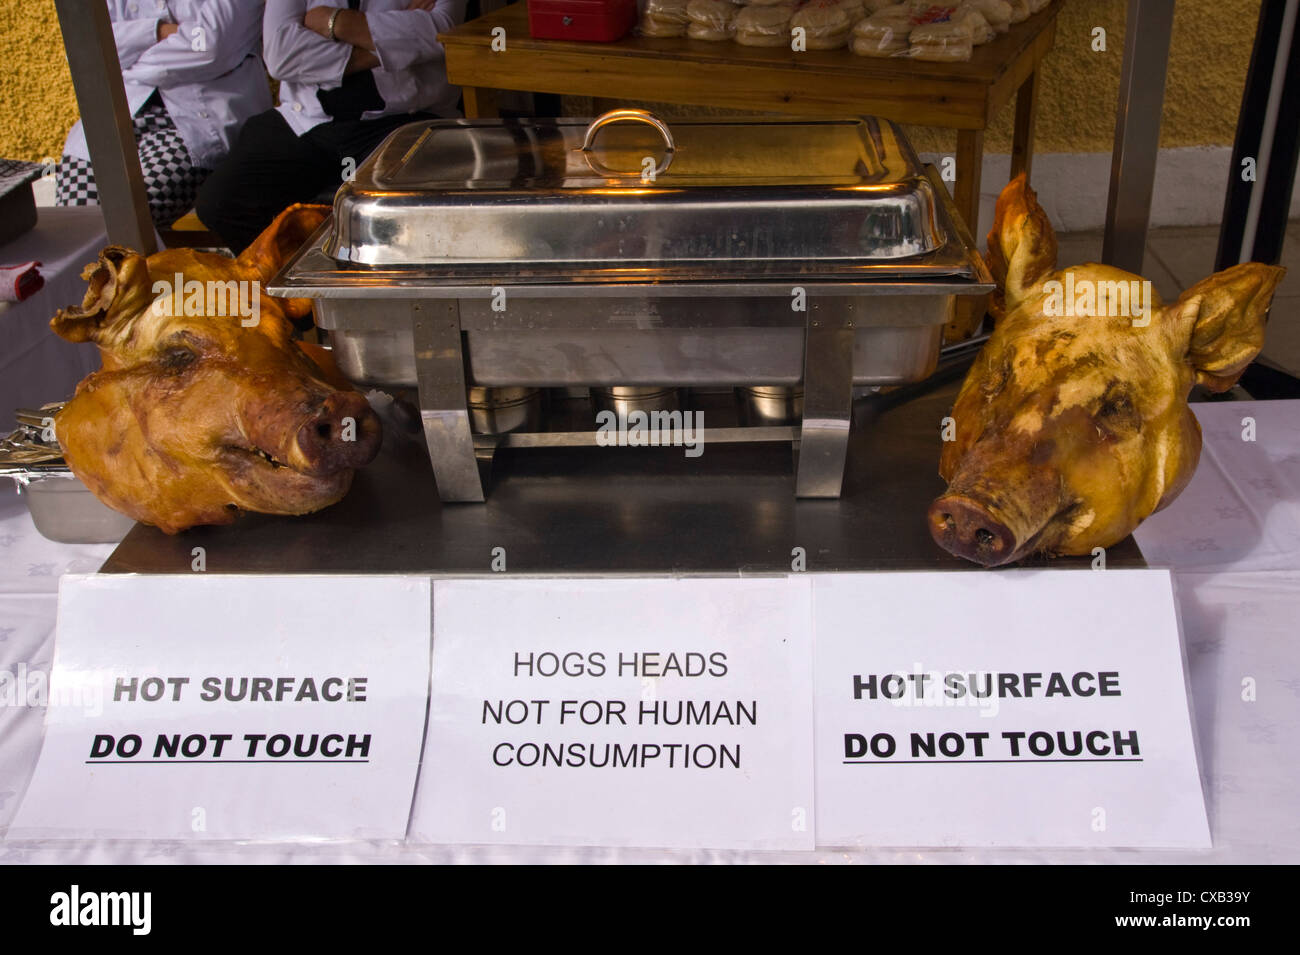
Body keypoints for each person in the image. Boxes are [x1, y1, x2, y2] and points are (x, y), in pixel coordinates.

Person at [196, 0, 467, 252]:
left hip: (403, 118)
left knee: (400, 216)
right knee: (221, 202)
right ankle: (296, 289)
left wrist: (335, 22)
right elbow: (281, 55)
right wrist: (385, 46)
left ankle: (370, 292)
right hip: (306, 118)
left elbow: (443, 31)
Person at [57, 1, 271, 228]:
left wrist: (127, 65)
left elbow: (210, 47)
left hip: (197, 125)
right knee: (72, 225)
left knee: (124, 221)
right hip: (118, 115)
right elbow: (82, 50)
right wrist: (158, 31)